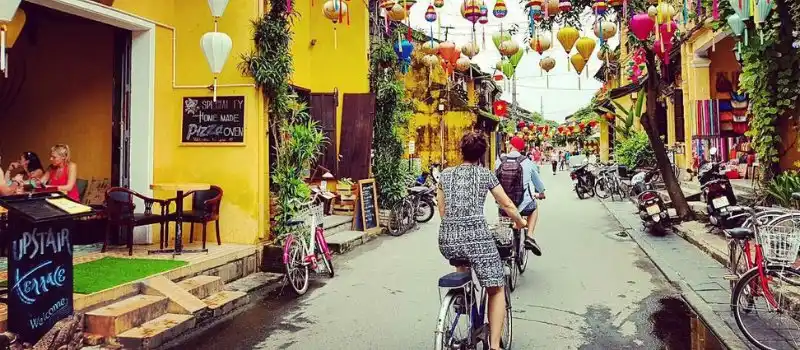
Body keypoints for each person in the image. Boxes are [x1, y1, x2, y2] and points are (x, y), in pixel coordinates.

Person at [437, 131, 526, 350]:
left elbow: (442, 209)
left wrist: (455, 226)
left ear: (461, 151)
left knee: (461, 258)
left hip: (447, 238)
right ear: (481, 154)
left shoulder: (445, 175)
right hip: (477, 237)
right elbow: (506, 204)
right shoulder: (485, 175)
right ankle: (494, 345)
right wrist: (520, 222)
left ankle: (462, 297)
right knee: (495, 287)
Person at [495, 136, 546, 256]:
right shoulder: (527, 162)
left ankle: (504, 245)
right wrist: (542, 192)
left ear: (511, 146)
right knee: (534, 207)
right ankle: (530, 237)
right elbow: (538, 183)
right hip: (524, 205)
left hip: (504, 206)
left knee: (503, 216)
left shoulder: (499, 161)